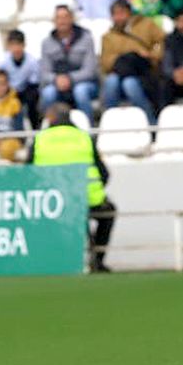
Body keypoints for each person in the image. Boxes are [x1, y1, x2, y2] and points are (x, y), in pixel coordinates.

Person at [29, 102, 113, 271]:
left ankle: (50, 260)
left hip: (52, 202)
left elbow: (28, 173)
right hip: (87, 200)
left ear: (50, 118)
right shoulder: (85, 138)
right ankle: (97, 258)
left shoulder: (40, 139)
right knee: (108, 213)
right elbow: (104, 173)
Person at [100, 0, 162, 123]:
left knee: (130, 84)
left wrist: (150, 55)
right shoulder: (108, 37)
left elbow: (163, 44)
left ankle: (151, 123)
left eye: (122, 13)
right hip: (120, 73)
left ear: (129, 13)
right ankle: (109, 123)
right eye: (115, 14)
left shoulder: (147, 24)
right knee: (111, 82)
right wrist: (124, 57)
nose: (119, 17)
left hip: (144, 74)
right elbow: (105, 64)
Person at [39, 4, 99, 117]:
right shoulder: (46, 43)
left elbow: (90, 71)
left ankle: (88, 131)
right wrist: (56, 79)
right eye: (58, 18)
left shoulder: (86, 39)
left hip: (83, 83)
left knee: (80, 92)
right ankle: (48, 128)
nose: (62, 21)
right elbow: (44, 73)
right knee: (48, 93)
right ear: (54, 21)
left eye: (65, 17)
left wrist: (70, 79)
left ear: (72, 18)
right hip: (57, 83)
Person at [0, 28, 42, 128]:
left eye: (18, 44)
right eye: (13, 45)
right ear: (8, 46)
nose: (16, 49)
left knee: (32, 100)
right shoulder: (4, 62)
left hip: (26, 91)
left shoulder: (32, 61)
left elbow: (34, 83)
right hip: (9, 91)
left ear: (24, 45)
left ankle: (35, 127)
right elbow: (2, 81)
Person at [163, 8, 183, 106]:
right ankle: (162, 116)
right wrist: (175, 73)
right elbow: (167, 64)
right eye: (180, 21)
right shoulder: (170, 39)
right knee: (165, 85)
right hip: (176, 78)